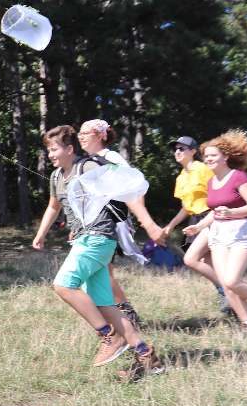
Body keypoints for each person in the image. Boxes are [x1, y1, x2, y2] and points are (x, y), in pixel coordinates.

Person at [32, 126, 164, 379]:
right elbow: (53, 206)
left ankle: (109, 336)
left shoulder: (89, 168)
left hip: (98, 239)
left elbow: (128, 193)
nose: (50, 154)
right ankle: (147, 357)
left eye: (54, 149)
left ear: (69, 149)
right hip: (84, 240)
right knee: (105, 304)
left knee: (63, 285)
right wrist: (41, 234)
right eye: (48, 150)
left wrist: (148, 224)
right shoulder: (56, 177)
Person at [183, 131, 247, 331]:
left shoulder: (238, 177)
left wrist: (232, 211)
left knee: (232, 280)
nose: (208, 159)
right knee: (226, 284)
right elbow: (214, 211)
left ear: (225, 157)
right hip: (219, 233)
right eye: (206, 156)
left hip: (241, 231)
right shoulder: (212, 182)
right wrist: (199, 226)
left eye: (213, 155)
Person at [76, 119, 163, 328]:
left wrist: (147, 222)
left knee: (101, 270)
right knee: (101, 270)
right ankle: (122, 312)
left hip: (110, 222)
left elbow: (132, 187)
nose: (81, 136)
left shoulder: (110, 157)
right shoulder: (88, 161)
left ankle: (123, 313)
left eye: (86, 132)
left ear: (101, 135)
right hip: (94, 223)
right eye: (79, 132)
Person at [159, 136, 229, 313]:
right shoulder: (181, 178)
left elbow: (221, 188)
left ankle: (227, 291)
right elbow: (185, 207)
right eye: (175, 149)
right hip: (195, 220)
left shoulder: (203, 169)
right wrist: (170, 225)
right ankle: (230, 295)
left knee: (191, 259)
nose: (177, 152)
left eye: (182, 148)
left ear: (193, 152)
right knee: (208, 262)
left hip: (211, 217)